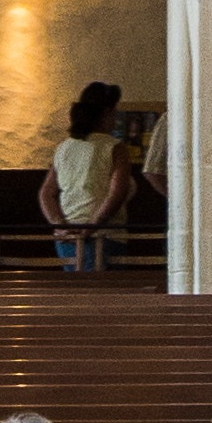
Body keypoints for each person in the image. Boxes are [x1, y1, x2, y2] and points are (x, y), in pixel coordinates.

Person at [41, 75, 135, 274]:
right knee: (105, 295)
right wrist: (93, 224)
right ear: (107, 113)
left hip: (67, 237)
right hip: (104, 235)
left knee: (77, 293)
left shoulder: (64, 148)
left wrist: (59, 224)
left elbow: (46, 193)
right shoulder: (114, 147)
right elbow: (117, 192)